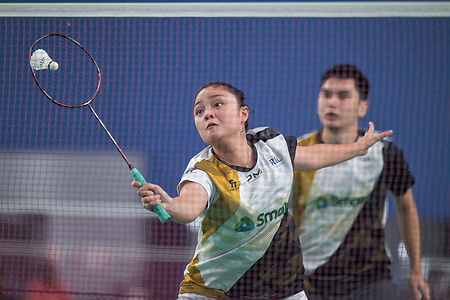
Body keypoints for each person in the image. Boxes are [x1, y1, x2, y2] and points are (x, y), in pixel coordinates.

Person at [133, 81, 392, 300]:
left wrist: (357, 148)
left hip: (281, 285)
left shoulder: (271, 145)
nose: (207, 114)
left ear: (243, 113)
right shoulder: (204, 170)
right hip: (214, 288)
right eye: (199, 111)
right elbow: (189, 207)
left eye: (217, 104)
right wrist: (167, 204)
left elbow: (313, 156)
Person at [292, 64, 430, 300]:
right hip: (310, 280)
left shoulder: (385, 153)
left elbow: (407, 207)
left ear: (362, 107)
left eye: (343, 96)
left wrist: (416, 270)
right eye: (326, 94)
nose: (332, 102)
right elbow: (287, 214)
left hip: (371, 278)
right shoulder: (298, 153)